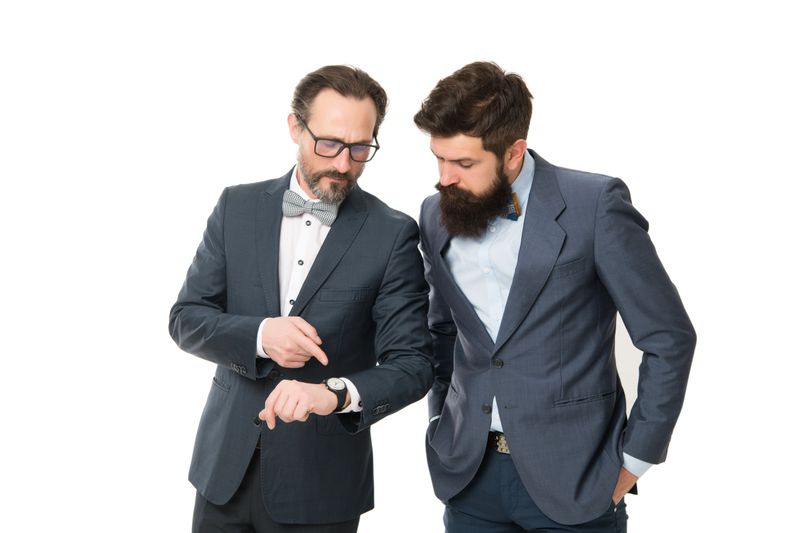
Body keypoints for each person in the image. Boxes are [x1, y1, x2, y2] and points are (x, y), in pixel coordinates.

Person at [415, 61, 696, 532]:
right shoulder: (433, 214)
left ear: (513, 152)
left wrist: (636, 458)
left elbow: (669, 337)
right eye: (439, 158)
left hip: (578, 480)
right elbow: (442, 329)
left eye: (464, 163)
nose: (445, 178)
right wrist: (443, 421)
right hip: (468, 478)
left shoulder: (595, 205)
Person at [169, 65, 434, 533]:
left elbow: (412, 365)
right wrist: (260, 335)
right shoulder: (237, 206)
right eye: (329, 143)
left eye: (360, 148)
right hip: (223, 472)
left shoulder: (392, 234)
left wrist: (332, 395)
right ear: (295, 126)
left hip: (322, 486)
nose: (343, 163)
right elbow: (187, 318)